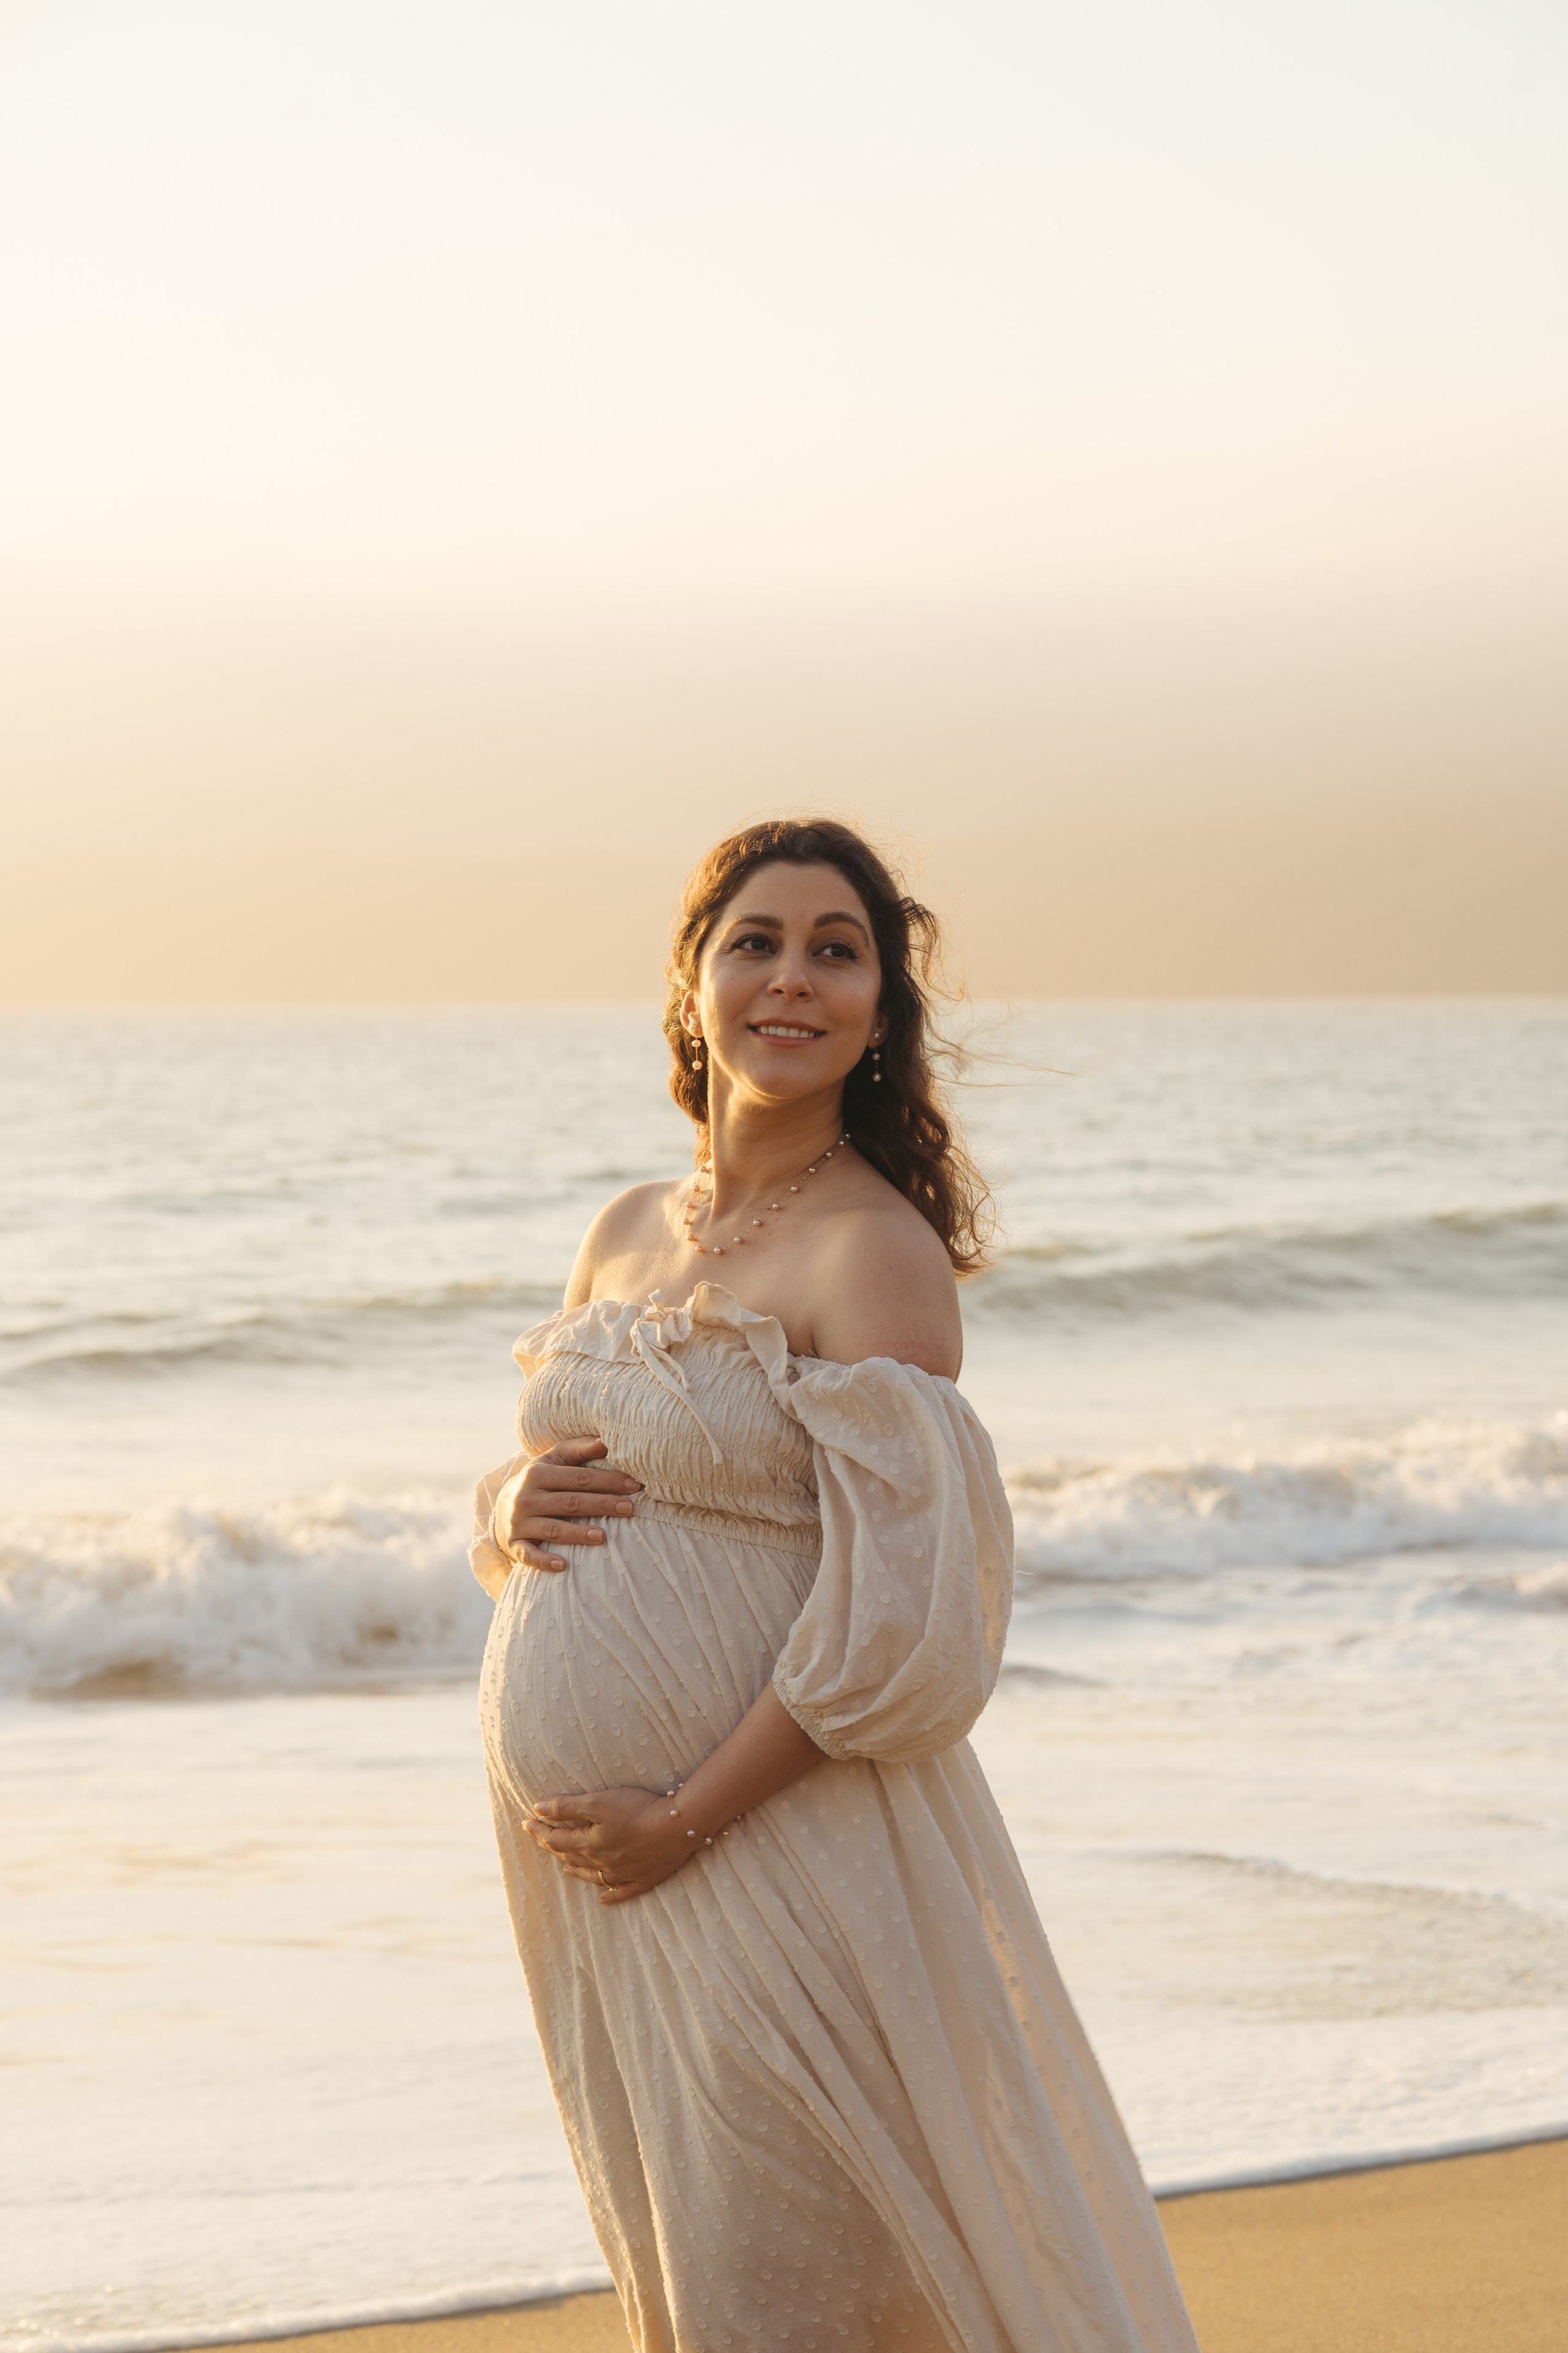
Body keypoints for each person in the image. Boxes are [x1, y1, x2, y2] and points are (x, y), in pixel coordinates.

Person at [472, 818, 1199, 2353]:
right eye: (754, 940)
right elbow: (578, 1493)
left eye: (834, 949)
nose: (788, 977)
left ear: (879, 1011)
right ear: (690, 981)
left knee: (792, 2292)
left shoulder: (875, 1257)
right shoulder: (618, 1233)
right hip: (612, 1876)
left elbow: (906, 1626)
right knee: (698, 2277)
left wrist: (683, 1818)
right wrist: (501, 1496)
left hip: (760, 1849)